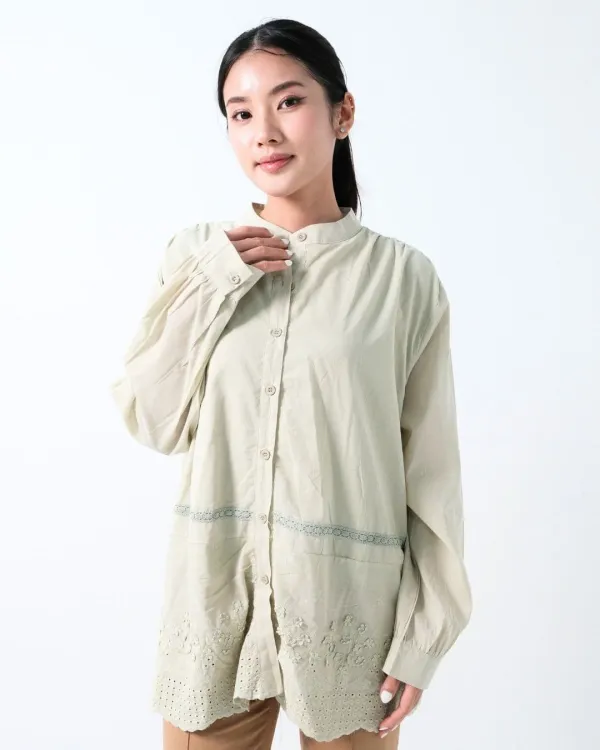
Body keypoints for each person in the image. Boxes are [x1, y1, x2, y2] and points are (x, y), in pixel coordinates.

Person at [109, 17, 473, 750]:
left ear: (342, 112)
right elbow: (152, 419)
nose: (265, 133)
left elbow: (431, 472)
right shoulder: (196, 256)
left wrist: (424, 638)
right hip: (213, 611)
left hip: (354, 620)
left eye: (289, 102)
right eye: (241, 113)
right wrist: (216, 281)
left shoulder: (403, 279)